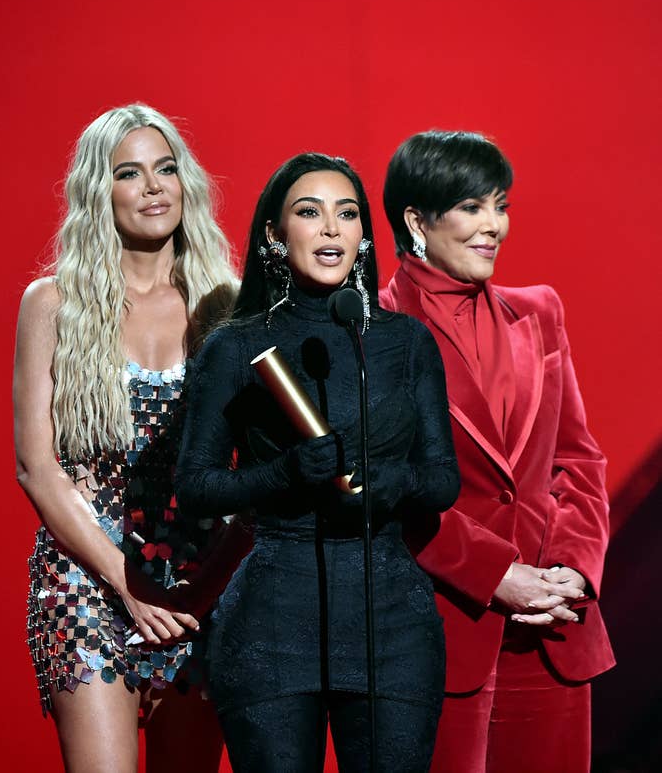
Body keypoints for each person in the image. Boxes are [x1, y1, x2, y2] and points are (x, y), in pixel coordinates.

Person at [175, 152, 460, 772]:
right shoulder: (236, 345)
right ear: (275, 236)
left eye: (347, 214)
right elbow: (195, 486)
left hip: (392, 625)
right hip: (274, 621)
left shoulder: (407, 343)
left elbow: (442, 480)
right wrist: (282, 475)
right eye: (310, 212)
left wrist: (398, 480)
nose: (331, 228)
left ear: (362, 236)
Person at [14, 103, 243, 772]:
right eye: (130, 173)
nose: (153, 187)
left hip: (198, 585)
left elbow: (257, 467)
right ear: (98, 191)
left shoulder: (227, 303)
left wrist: (196, 585)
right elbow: (36, 466)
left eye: (166, 168)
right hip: (87, 578)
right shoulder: (52, 303)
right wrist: (125, 579)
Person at [380, 130, 615, 773]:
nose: (494, 227)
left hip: (554, 630)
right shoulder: (375, 330)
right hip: (443, 632)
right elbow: (388, 488)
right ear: (416, 220)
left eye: (501, 205)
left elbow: (581, 461)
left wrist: (574, 567)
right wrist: (497, 575)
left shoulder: (539, 312)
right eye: (472, 207)